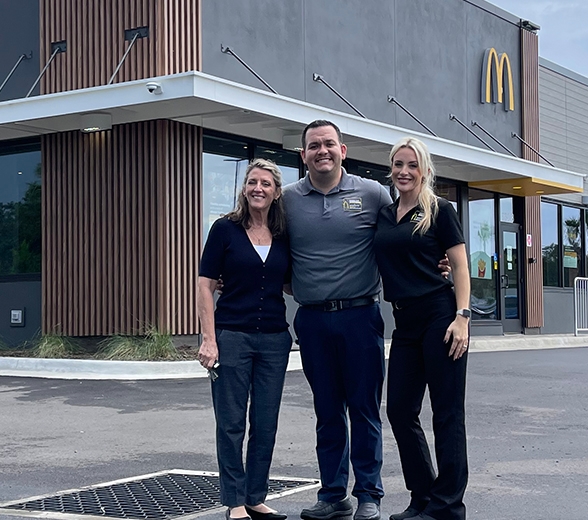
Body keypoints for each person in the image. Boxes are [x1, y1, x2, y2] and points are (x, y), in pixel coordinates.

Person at [283, 120, 393, 520]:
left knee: (364, 409)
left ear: (343, 150)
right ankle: (333, 495)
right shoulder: (287, 200)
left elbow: (403, 234)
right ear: (303, 155)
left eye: (329, 143)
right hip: (312, 321)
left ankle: (368, 494)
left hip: (361, 317)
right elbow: (266, 245)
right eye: (314, 145)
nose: (322, 151)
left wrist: (440, 262)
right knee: (327, 411)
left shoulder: (373, 193)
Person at [373, 137, 471, 520]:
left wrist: (462, 317)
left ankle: (449, 506)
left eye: (412, 165)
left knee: (447, 414)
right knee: (399, 409)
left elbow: (459, 265)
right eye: (398, 164)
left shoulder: (440, 210)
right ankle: (424, 496)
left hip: (439, 316)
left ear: (425, 170)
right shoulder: (385, 213)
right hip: (404, 322)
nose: (404, 171)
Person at [197, 159, 293, 520]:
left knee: (265, 423)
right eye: (252, 182)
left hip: (274, 339)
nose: (258, 188)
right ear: (244, 189)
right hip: (232, 336)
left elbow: (288, 282)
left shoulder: (284, 235)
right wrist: (209, 339)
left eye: (265, 184)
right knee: (231, 422)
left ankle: (255, 496)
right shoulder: (225, 229)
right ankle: (234, 501)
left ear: (276, 192)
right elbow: (205, 286)